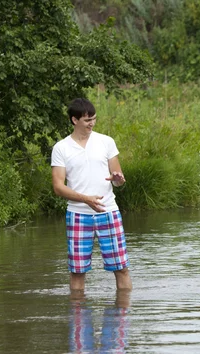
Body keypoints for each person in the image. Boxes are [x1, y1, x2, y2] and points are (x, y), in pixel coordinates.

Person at [51, 98, 132, 292]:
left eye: (94, 119)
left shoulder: (106, 142)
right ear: (74, 120)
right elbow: (57, 187)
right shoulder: (61, 148)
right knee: (77, 272)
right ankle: (79, 319)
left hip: (109, 211)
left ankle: (122, 318)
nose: (92, 124)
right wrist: (86, 199)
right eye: (87, 120)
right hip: (78, 215)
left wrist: (118, 179)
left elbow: (117, 177)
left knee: (121, 268)